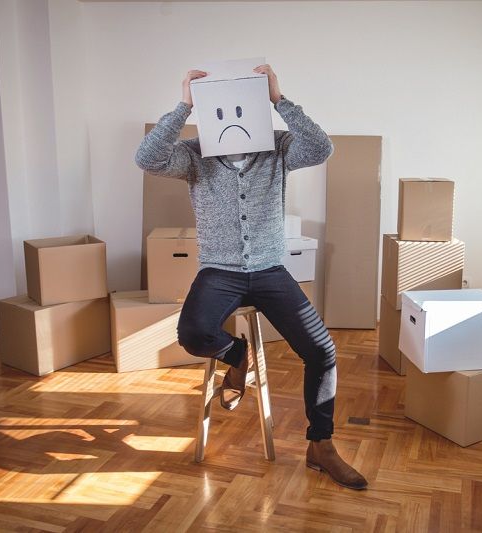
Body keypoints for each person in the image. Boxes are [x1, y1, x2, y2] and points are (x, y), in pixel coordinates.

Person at [135, 64, 367, 490]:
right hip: (219, 270)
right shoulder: (192, 153)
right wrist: (184, 104)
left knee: (322, 352)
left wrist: (280, 99)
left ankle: (321, 446)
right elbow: (146, 158)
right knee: (193, 333)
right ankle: (236, 354)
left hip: (270, 269)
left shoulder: (277, 148)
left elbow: (320, 148)